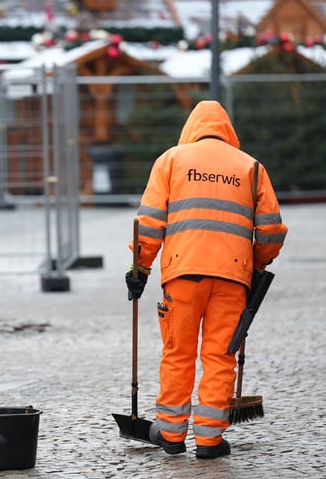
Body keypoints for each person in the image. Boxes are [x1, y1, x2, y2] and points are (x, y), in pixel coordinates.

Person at [125, 101, 287, 459]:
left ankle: (170, 434)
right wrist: (256, 266)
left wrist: (140, 270)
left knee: (178, 352)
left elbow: (149, 223)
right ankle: (210, 442)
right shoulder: (251, 168)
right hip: (233, 279)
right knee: (219, 357)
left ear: (191, 129)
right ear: (229, 132)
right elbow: (272, 231)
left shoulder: (170, 161)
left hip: (182, 276)